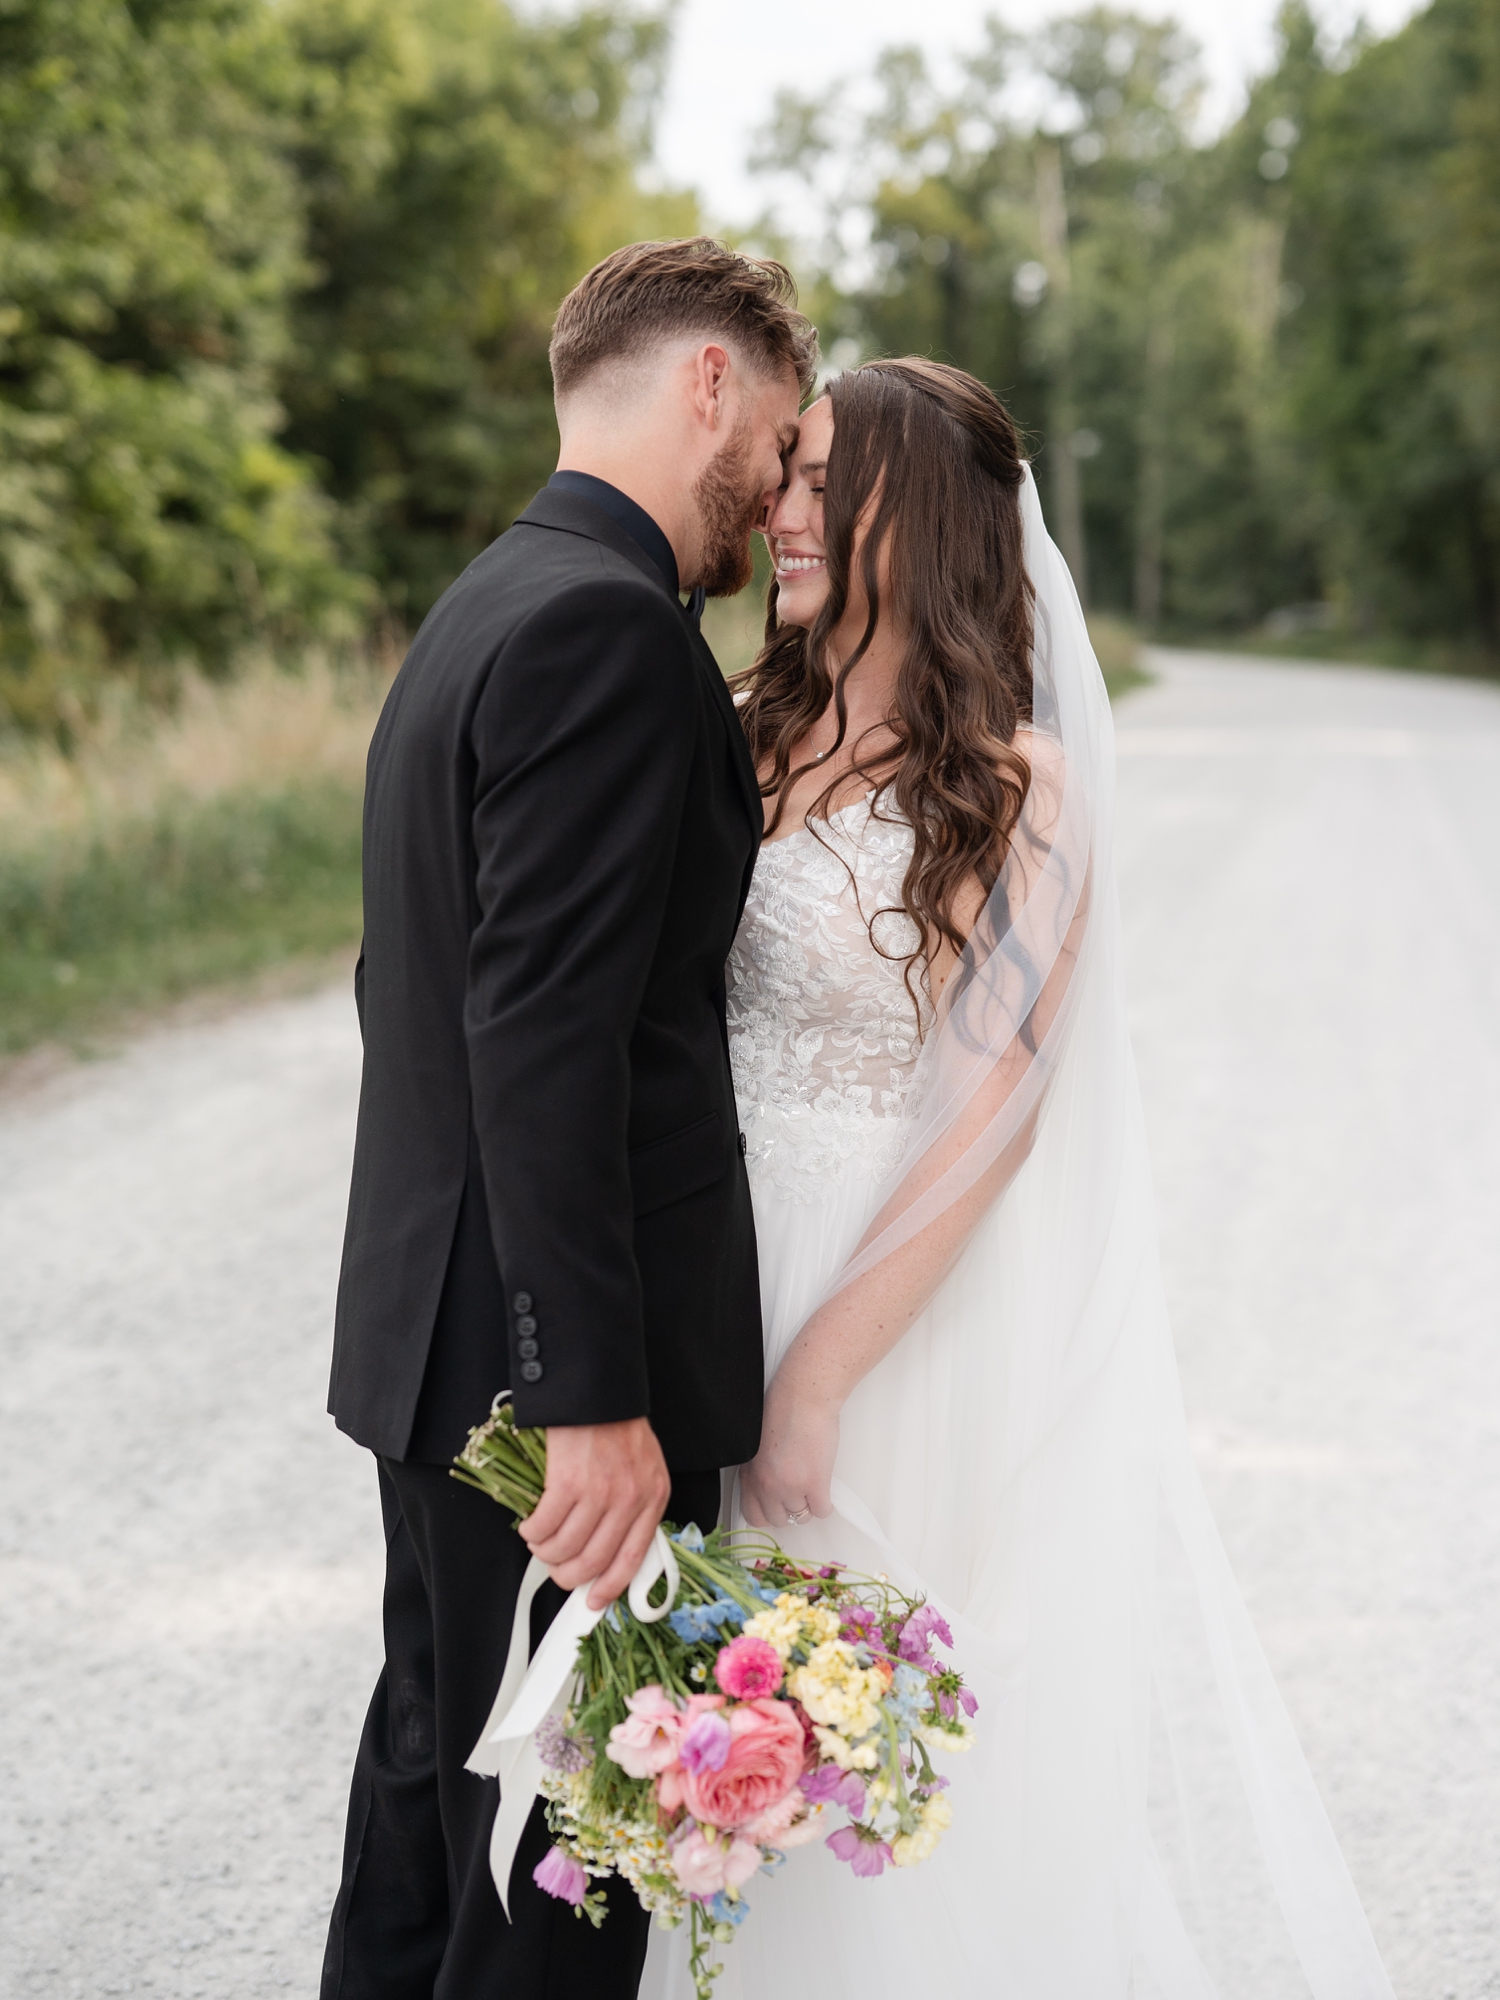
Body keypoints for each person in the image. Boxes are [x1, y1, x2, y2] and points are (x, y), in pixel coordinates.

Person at [644, 359, 1396, 1997]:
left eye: (823, 479)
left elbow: (995, 1114)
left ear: (920, 511)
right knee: (692, 1736)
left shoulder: (1016, 788)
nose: (781, 507)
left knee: (856, 1743)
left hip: (883, 1314)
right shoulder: (739, 728)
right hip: (711, 1263)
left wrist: (819, 1379)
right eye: (786, 477)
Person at [321, 237, 816, 2000]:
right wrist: (589, 1396)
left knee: (430, 1832)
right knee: (556, 1892)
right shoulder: (611, 628)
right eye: (774, 439)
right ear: (708, 384)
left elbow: (411, 988)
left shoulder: (485, 602)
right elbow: (543, 1033)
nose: (772, 493)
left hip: (432, 1347)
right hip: (543, 1405)